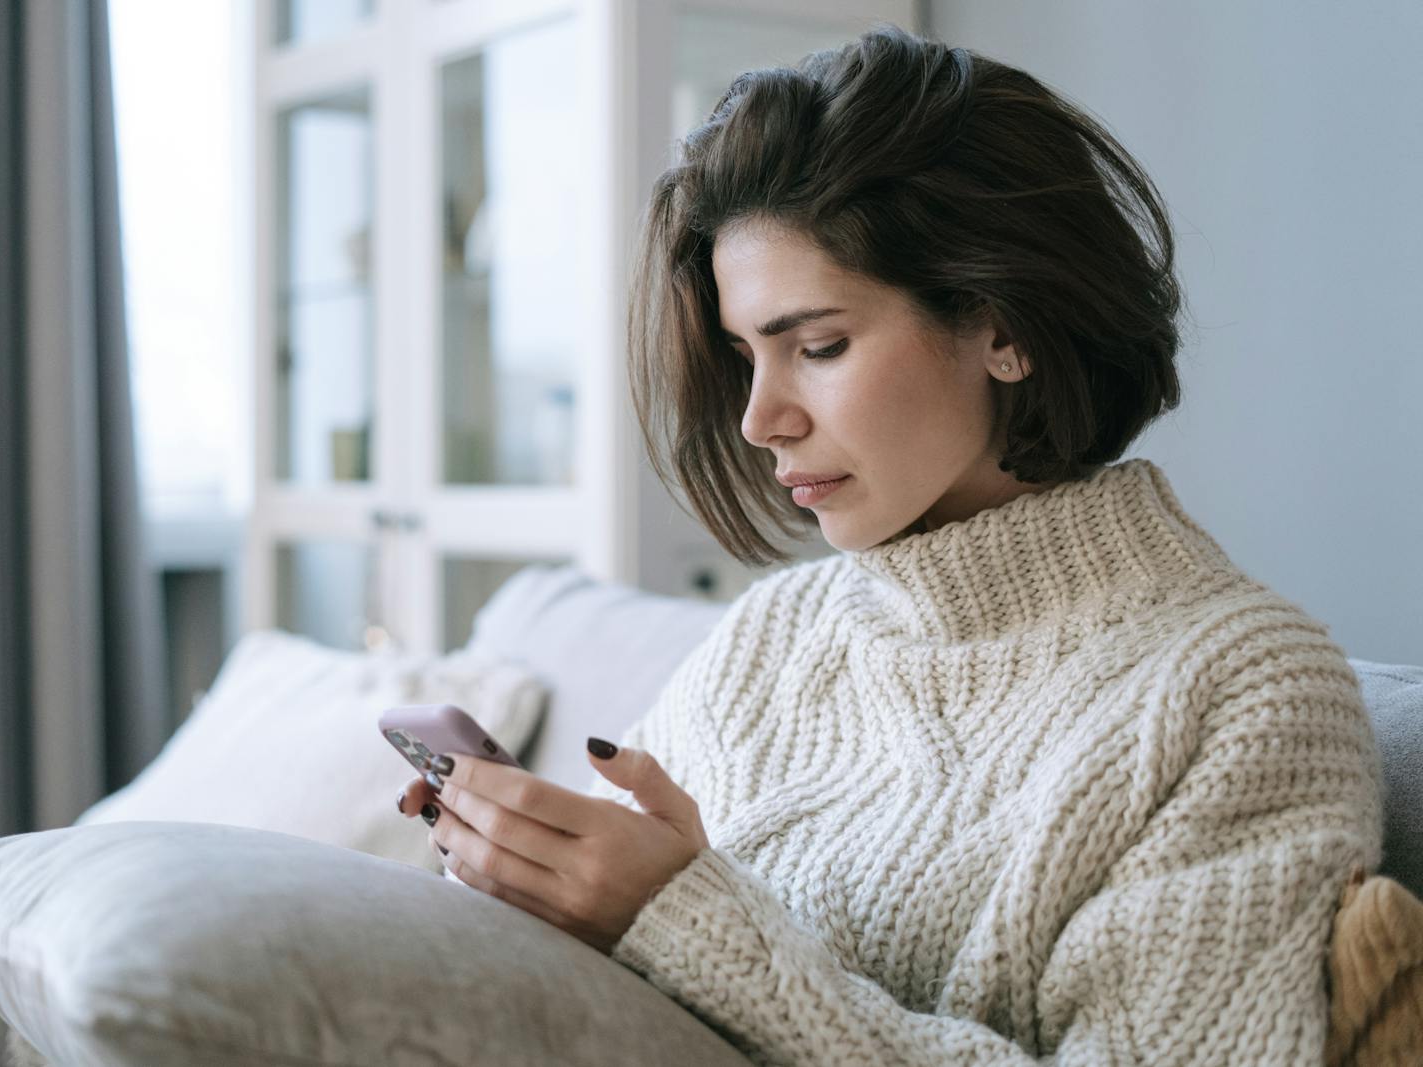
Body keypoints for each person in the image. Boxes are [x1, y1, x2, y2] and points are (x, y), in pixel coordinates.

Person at [399, 23, 1382, 1065]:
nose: (758, 418)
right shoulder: (778, 631)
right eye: (745, 358)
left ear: (1007, 327)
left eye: (816, 346)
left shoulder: (1245, 690)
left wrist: (691, 927)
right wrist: (513, 872)